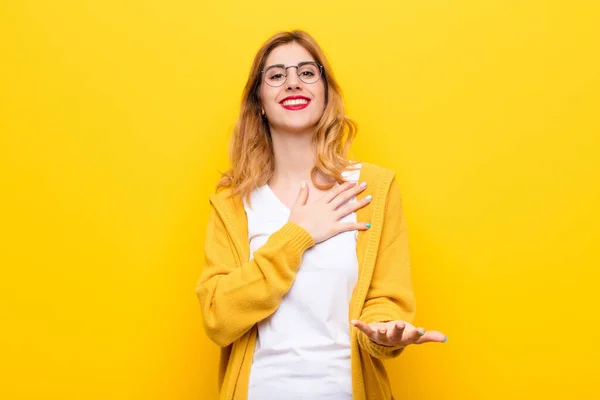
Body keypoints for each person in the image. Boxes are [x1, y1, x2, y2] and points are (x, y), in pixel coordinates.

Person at [196, 30, 447, 400]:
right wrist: (298, 234)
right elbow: (218, 317)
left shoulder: (372, 188)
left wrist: (384, 331)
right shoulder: (234, 204)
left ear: (326, 93)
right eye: (277, 75)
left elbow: (385, 299)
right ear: (260, 102)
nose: (293, 82)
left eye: (307, 73)